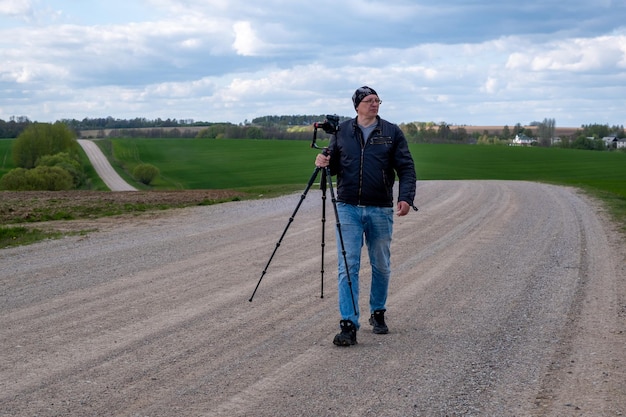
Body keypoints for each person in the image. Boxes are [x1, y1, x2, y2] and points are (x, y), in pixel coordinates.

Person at [315, 86, 417, 347]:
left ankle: (378, 311)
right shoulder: (342, 131)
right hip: (348, 206)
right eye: (369, 101)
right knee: (347, 266)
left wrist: (406, 197)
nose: (375, 104)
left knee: (380, 264)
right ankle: (348, 324)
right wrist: (323, 161)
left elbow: (406, 168)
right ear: (357, 105)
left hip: (380, 208)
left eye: (377, 100)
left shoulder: (391, 132)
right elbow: (336, 166)